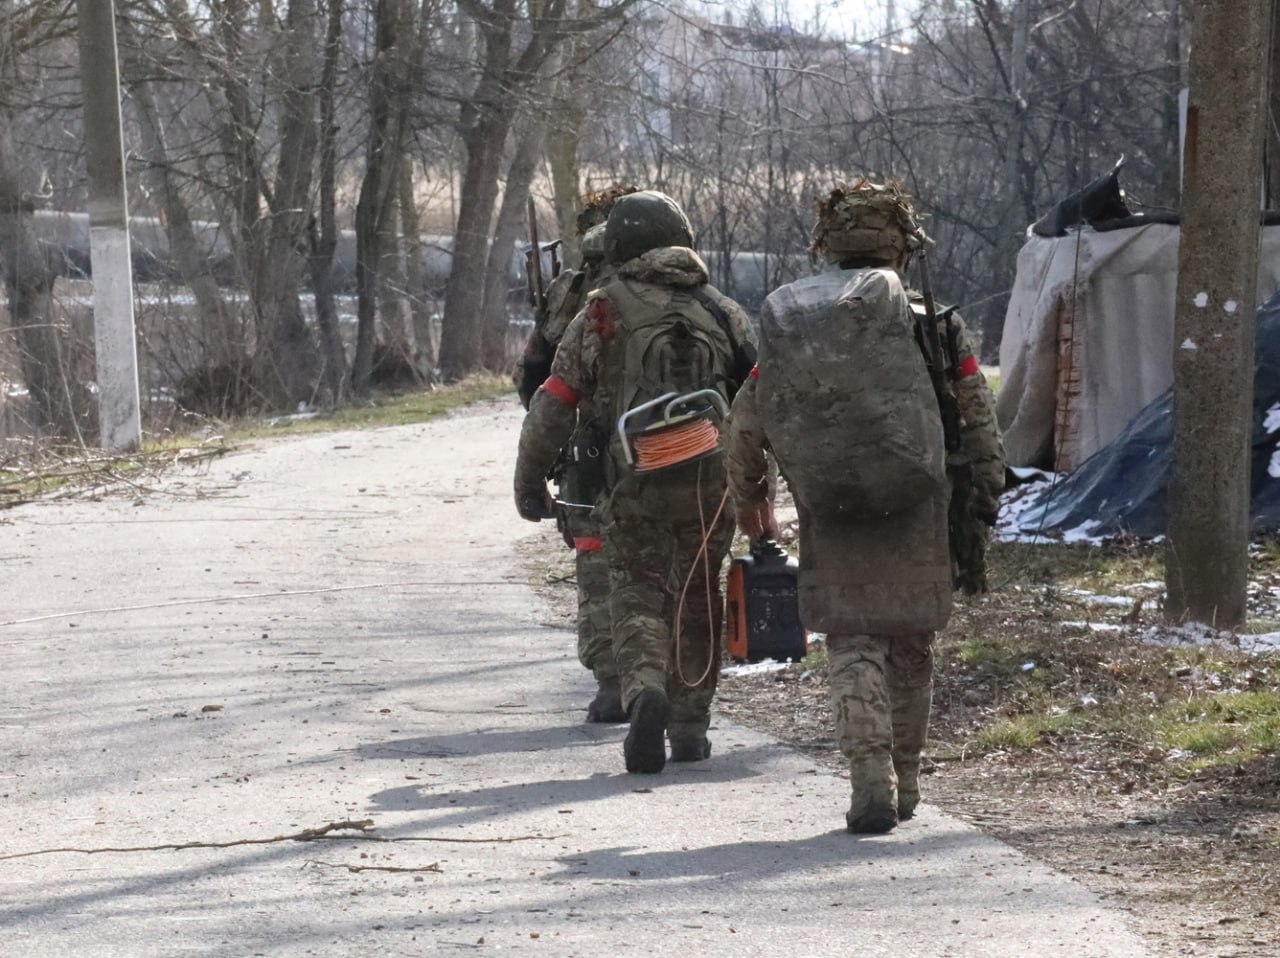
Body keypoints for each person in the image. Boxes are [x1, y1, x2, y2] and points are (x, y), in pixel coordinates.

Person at [725, 178, 1004, 832]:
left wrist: (751, 496)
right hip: (920, 504)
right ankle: (905, 779)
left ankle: (867, 774)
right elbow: (980, 420)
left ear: (829, 246)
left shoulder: (799, 333)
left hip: (832, 505)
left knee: (852, 639)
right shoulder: (934, 325)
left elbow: (746, 420)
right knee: (910, 644)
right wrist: (984, 500)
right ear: (901, 250)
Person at [514, 190, 757, 773]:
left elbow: (553, 402)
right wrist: (764, 486)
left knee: (637, 590)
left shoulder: (600, 310)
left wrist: (528, 484)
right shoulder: (724, 310)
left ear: (618, 245)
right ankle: (691, 727)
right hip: (710, 485)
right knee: (698, 594)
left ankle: (644, 686)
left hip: (631, 481)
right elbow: (763, 403)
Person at [515, 186, 638, 724]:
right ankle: (671, 690)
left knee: (597, 567)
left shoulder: (573, 293)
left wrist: (538, 468)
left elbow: (536, 383)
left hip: (588, 455)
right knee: (673, 568)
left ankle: (613, 684)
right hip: (675, 451)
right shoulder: (689, 291)